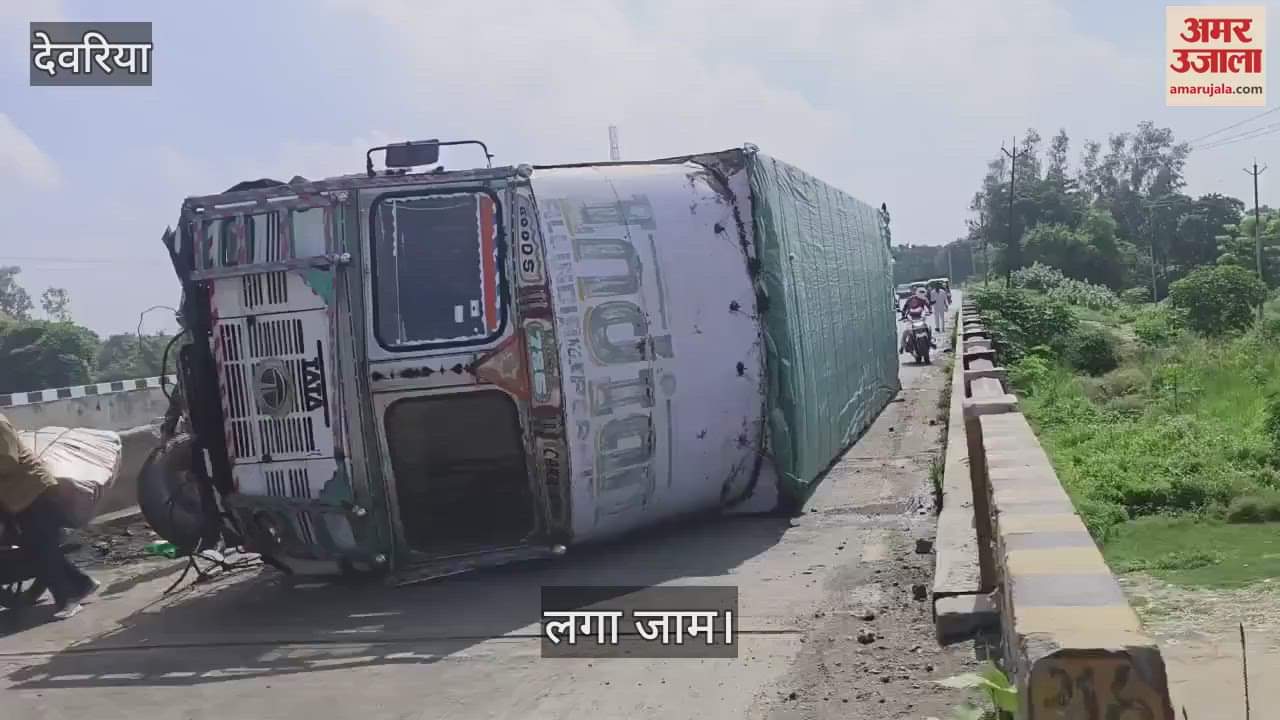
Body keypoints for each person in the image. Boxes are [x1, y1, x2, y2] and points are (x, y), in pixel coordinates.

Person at [0, 413, 99, 619]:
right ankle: (82, 583)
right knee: (35, 547)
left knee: (41, 547)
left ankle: (67, 599)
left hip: (34, 490)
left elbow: (7, 460)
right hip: (16, 496)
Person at [899, 287, 931, 353]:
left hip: (920, 319)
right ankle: (902, 346)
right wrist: (903, 316)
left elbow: (928, 306)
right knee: (906, 332)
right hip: (911, 319)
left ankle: (930, 342)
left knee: (928, 328)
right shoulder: (909, 300)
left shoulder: (923, 299)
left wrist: (929, 311)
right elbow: (904, 308)